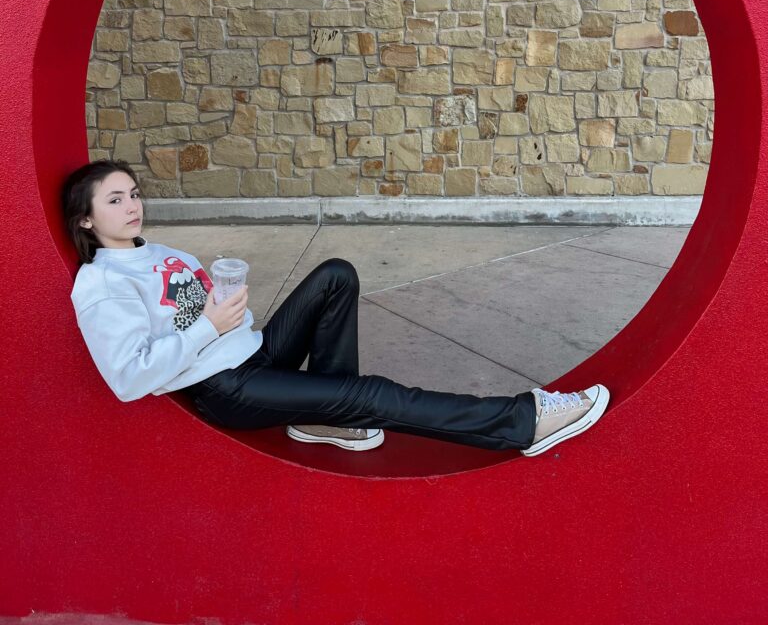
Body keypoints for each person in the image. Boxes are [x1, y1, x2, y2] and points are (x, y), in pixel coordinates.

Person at [62, 158, 610, 456]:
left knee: (335, 275)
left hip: (250, 353)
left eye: (134, 193)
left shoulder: (163, 252)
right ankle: (522, 421)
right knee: (372, 395)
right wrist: (208, 325)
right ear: (86, 219)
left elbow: (204, 315)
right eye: (115, 200)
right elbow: (128, 378)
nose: (132, 205)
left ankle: (330, 421)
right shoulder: (101, 283)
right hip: (224, 388)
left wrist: (223, 314)